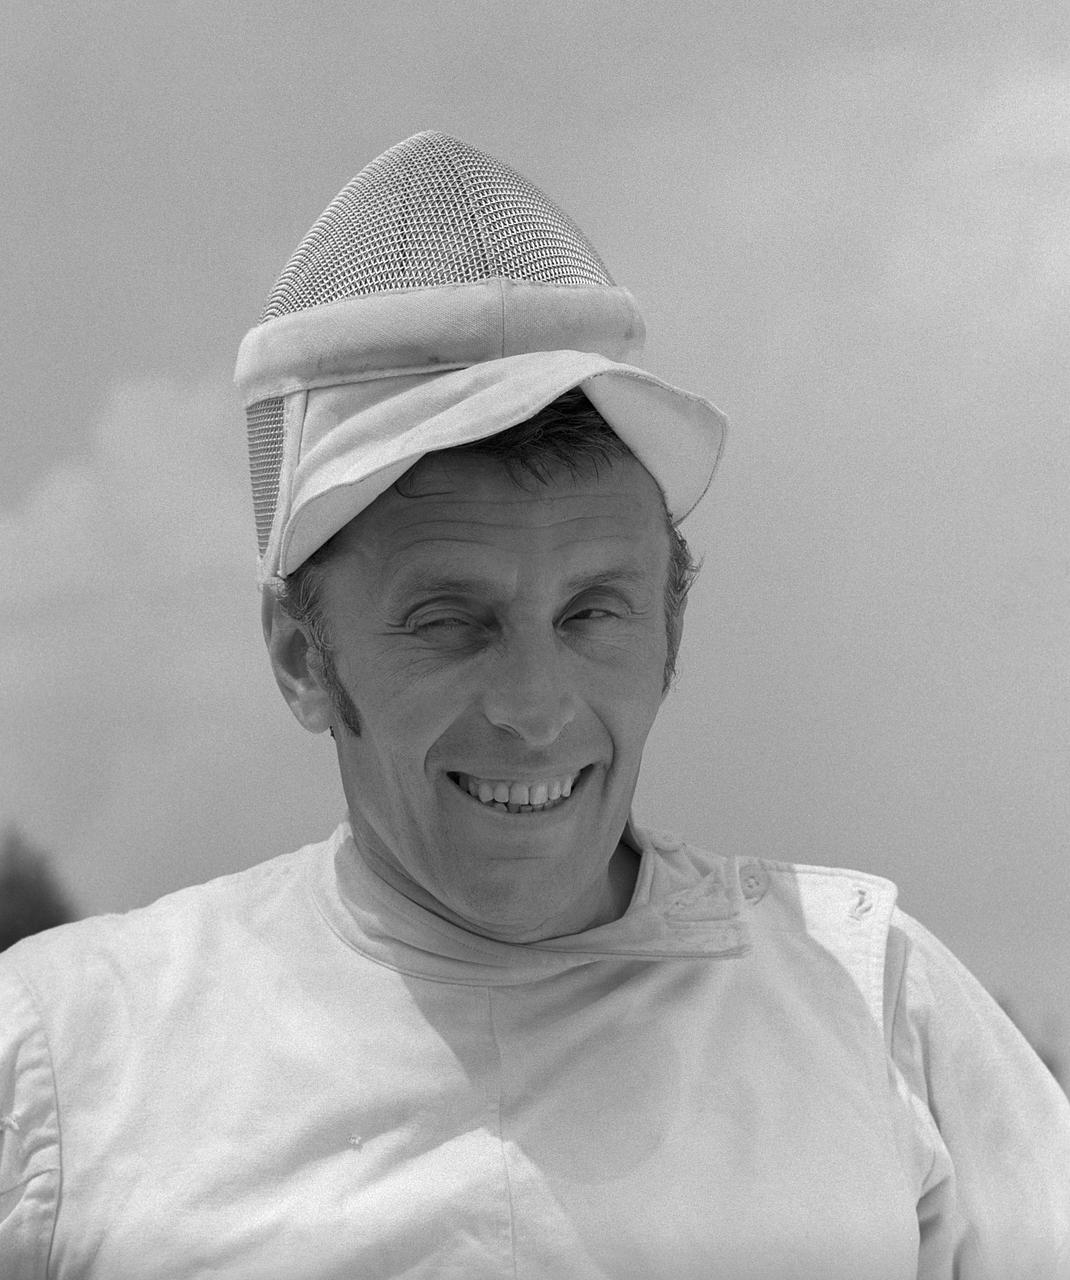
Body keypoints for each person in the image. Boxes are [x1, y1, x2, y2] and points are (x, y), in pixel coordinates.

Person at [1, 131, 1067, 1280]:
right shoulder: (67, 1068)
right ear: (302, 657)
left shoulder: (872, 1008)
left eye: (592, 611)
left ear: (669, 627)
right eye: (449, 618)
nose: (534, 705)